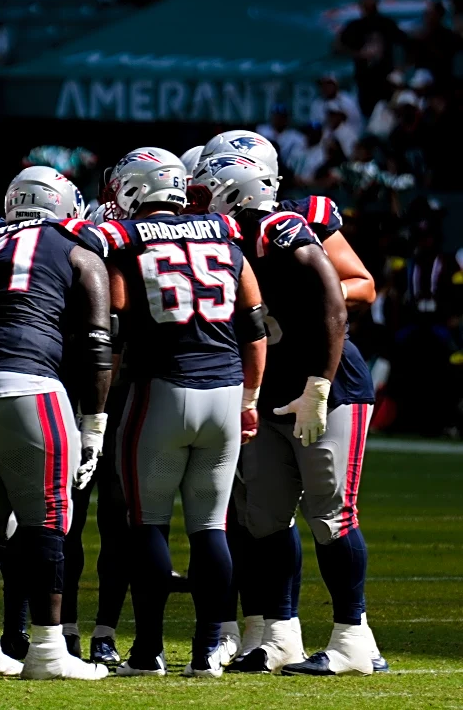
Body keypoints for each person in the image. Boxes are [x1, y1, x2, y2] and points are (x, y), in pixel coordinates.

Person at [192, 153, 382, 676]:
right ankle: (280, 636)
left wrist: (317, 375)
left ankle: (353, 637)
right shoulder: (219, 240)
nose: (195, 204)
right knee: (265, 518)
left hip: (329, 387)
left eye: (205, 193)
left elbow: (351, 290)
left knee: (331, 514)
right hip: (270, 389)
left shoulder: (285, 227)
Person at [0, 166, 112, 680]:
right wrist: (95, 424)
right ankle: (49, 650)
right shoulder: (74, 241)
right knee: (48, 519)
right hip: (26, 382)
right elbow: (98, 343)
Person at [97, 148, 266, 678]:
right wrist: (251, 398)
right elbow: (255, 326)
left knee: (147, 524)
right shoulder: (223, 235)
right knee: (210, 527)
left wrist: (97, 404)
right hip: (225, 390)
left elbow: (116, 322)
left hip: (161, 392)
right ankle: (208, 650)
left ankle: (147, 653)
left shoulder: (125, 240)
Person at [336, 0, 408, 117]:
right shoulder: (355, 26)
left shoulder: (387, 24)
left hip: (385, 79)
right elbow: (337, 47)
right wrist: (357, 54)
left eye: (372, 5)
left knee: (388, 114)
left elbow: (405, 43)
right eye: (367, 6)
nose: (369, 9)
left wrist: (401, 67)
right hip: (364, 79)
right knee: (367, 112)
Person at [256, 104, 306, 170]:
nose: (278, 119)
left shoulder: (297, 137)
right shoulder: (262, 131)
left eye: (281, 117)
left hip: (287, 170)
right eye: (276, 116)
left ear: (287, 119)